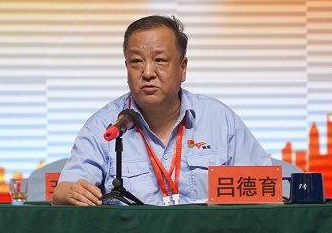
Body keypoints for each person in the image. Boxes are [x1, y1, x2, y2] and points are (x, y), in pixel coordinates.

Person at [54, 15, 270, 206]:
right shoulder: (104, 126)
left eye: (160, 60)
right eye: (136, 61)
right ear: (126, 67)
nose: (148, 72)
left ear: (183, 68)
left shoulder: (219, 119)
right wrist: (72, 192)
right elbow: (63, 190)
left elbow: (266, 188)